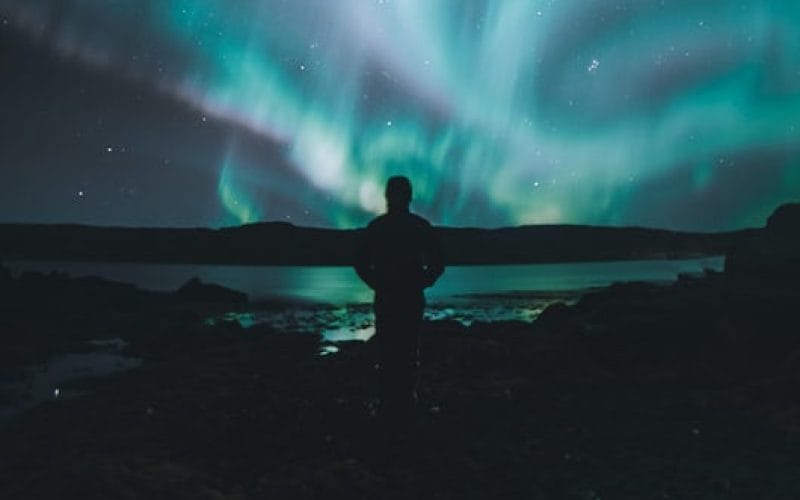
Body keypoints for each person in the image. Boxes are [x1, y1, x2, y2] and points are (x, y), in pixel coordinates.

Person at [354, 176, 445, 423]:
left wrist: (377, 282)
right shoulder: (418, 226)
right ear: (409, 196)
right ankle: (404, 400)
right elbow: (438, 262)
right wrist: (424, 281)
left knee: (389, 349)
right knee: (406, 348)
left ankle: (390, 403)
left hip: (389, 296)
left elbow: (360, 263)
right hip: (408, 296)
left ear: (388, 196)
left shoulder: (378, 227)